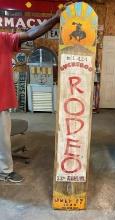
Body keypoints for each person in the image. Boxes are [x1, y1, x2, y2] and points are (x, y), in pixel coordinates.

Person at [0, 7, 63, 183]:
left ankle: (4, 171)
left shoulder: (3, 39)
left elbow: (30, 34)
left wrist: (54, 20)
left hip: (0, 103)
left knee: (2, 140)